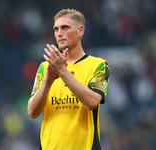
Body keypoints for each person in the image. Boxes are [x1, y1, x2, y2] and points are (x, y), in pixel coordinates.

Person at [28, 8, 110, 150]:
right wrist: (48, 80)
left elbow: (92, 102)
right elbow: (32, 112)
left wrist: (61, 71)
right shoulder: (45, 68)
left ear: (80, 31)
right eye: (56, 29)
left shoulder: (99, 65)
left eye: (65, 28)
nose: (59, 33)